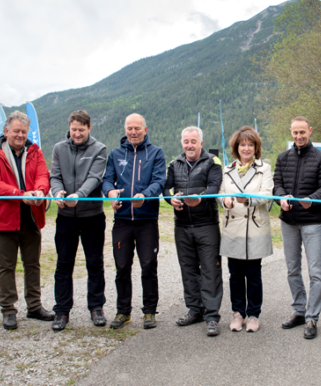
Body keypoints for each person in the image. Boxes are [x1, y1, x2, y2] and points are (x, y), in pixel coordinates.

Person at [0, 111, 54, 330]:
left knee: (32, 264)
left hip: (31, 217)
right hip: (4, 219)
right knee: (6, 266)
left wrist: (41, 191)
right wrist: (19, 193)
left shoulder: (35, 151)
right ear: (6, 131)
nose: (20, 135)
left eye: (23, 131)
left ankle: (34, 306)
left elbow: (43, 175)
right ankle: (8, 310)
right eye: (16, 131)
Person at [102, 113, 166, 330]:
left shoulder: (156, 152)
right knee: (121, 267)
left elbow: (159, 181)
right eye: (129, 128)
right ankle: (123, 312)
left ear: (145, 130)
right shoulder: (115, 153)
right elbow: (106, 179)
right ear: (125, 129)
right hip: (122, 220)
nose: (133, 132)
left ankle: (149, 311)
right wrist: (110, 192)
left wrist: (145, 196)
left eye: (137, 128)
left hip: (147, 220)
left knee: (148, 266)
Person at [274, 116, 321, 339]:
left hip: (312, 222)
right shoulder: (282, 158)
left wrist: (312, 198)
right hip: (288, 222)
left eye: (302, 132)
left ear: (310, 131)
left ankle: (312, 317)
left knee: (316, 272)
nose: (298, 136)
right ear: (291, 132)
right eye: (295, 133)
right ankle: (299, 310)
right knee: (292, 269)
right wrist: (280, 197)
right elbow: (277, 185)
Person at [49, 110, 108, 331]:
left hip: (91, 216)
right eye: (74, 129)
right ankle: (62, 311)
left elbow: (95, 177)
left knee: (94, 263)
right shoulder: (58, 148)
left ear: (89, 128)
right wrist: (57, 193)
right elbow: (54, 176)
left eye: (81, 130)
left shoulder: (99, 148)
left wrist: (79, 195)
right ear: (70, 127)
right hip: (65, 217)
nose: (77, 134)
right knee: (63, 264)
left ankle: (96, 307)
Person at [164, 126, 224, 336]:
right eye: (186, 141)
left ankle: (212, 316)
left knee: (210, 270)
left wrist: (200, 198)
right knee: (188, 269)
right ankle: (194, 310)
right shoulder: (174, 164)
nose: (189, 145)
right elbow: (166, 188)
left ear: (201, 143)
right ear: (182, 143)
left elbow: (214, 187)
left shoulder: (212, 162)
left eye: (193, 141)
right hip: (182, 226)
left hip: (206, 225)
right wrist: (169, 198)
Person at [217, 126, 273, 333]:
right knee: (235, 274)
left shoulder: (264, 169)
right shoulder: (227, 169)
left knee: (253, 274)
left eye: (250, 145)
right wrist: (225, 202)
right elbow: (220, 194)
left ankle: (253, 315)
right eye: (243, 145)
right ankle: (237, 313)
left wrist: (248, 199)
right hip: (233, 228)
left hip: (255, 226)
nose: (246, 148)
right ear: (236, 147)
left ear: (256, 147)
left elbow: (267, 194)